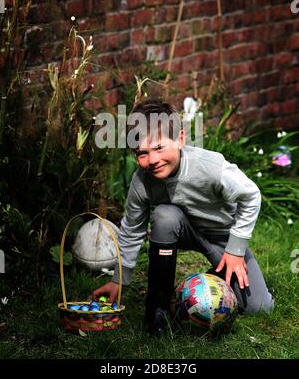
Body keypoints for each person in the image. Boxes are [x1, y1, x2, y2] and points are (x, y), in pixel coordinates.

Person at [93, 99, 274, 335]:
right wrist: (119, 279)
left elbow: (251, 195)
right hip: (179, 231)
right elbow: (132, 230)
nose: (152, 160)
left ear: (179, 139)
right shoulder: (142, 181)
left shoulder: (211, 167)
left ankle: (213, 277)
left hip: (222, 236)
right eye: (142, 154)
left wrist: (235, 250)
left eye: (159, 148)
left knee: (259, 308)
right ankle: (158, 306)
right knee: (165, 215)